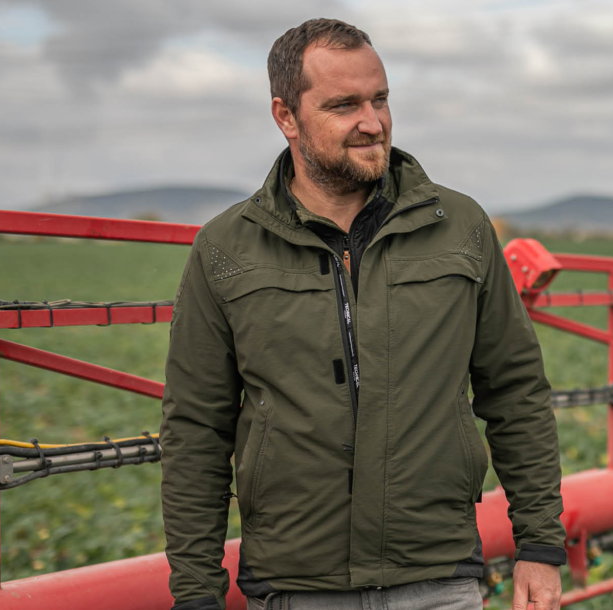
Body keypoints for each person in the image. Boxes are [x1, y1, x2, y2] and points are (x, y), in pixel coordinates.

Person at [160, 18, 566, 610]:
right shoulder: (226, 248)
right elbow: (197, 427)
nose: (372, 123)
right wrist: (196, 595)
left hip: (439, 578)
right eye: (344, 105)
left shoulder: (460, 227)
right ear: (286, 117)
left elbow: (516, 393)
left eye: (380, 99)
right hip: (296, 587)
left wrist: (540, 545)